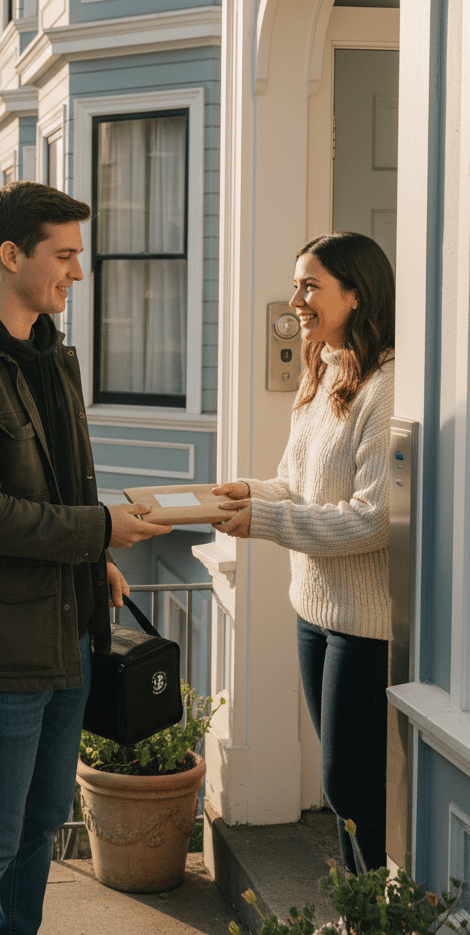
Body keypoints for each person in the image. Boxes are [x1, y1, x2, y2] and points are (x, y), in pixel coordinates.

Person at [0, 181, 173, 935]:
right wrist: (100, 532)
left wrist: (95, 565)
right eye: (64, 255)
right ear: (9, 255)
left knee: (39, 826)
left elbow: (54, 486)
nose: (77, 273)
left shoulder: (48, 358)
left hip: (61, 638)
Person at [212, 231, 395, 873]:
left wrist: (263, 517)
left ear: (355, 293)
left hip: (362, 627)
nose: (296, 300)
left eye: (310, 285)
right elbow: (294, 483)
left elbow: (373, 520)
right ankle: (360, 906)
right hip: (313, 614)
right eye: (298, 284)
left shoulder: (384, 387)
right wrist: (243, 493)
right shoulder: (325, 372)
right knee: (337, 782)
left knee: (350, 785)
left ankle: (370, 908)